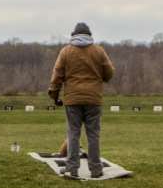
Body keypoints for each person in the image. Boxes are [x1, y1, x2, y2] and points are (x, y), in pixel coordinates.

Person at [48, 22, 117, 179]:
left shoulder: (66, 51)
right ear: (89, 35)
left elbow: (57, 75)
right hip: (93, 99)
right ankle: (96, 169)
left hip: (72, 100)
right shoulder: (99, 51)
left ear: (73, 35)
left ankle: (72, 168)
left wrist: (54, 95)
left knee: (73, 133)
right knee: (93, 134)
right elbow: (109, 73)